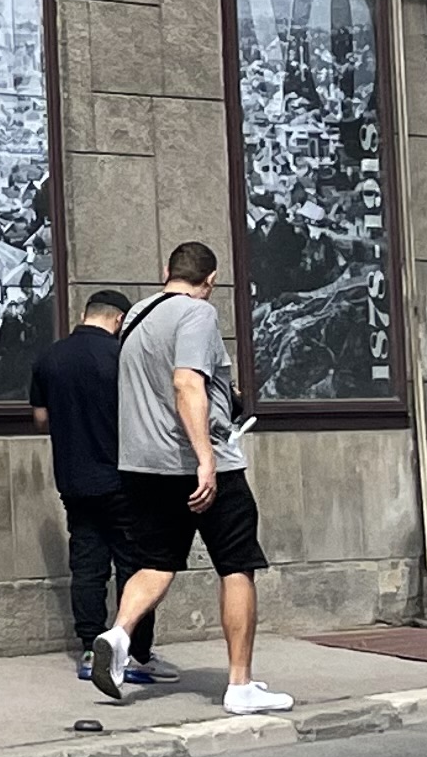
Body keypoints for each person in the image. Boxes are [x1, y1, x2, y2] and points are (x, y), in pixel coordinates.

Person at [92, 239, 289, 716]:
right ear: (211, 280)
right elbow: (186, 383)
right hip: (197, 461)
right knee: (237, 565)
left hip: (142, 464)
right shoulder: (197, 314)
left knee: (155, 562)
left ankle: (118, 635)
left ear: (167, 270)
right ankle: (240, 685)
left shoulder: (136, 315)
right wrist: (206, 459)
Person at [29, 288, 165, 685]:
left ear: (86, 314)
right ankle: (134, 653)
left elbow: (41, 419)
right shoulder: (123, 356)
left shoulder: (49, 357)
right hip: (124, 478)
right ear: (119, 319)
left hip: (74, 479)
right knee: (133, 565)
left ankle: (91, 649)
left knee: (87, 566)